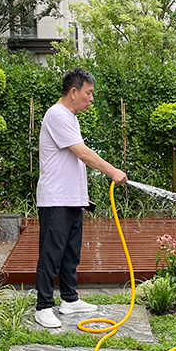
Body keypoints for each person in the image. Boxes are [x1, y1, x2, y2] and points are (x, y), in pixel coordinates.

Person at [35, 68, 128, 329]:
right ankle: (43, 306)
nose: (91, 98)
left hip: (71, 199)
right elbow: (83, 153)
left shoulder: (70, 117)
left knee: (70, 253)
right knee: (51, 253)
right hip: (55, 199)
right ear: (74, 92)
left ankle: (69, 299)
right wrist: (112, 170)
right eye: (88, 93)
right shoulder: (56, 115)